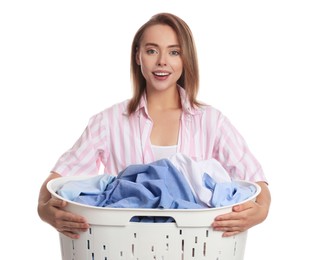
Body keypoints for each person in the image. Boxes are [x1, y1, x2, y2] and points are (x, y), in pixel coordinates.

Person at [37, 12, 271, 240]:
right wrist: (44, 210)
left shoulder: (211, 121)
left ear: (185, 58)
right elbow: (57, 182)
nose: (162, 61)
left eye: (174, 52)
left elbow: (257, 183)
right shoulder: (108, 122)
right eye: (151, 50)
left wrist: (258, 214)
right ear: (138, 55)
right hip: (124, 249)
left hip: (193, 249)